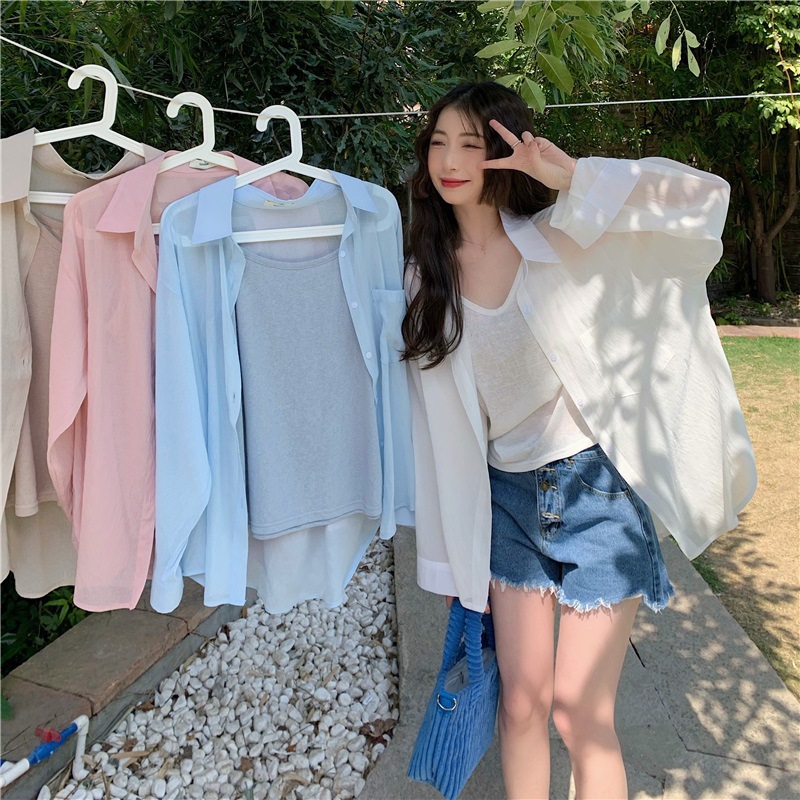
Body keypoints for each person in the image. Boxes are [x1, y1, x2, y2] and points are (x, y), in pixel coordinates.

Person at [401, 81, 756, 800]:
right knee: (521, 704)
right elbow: (434, 429)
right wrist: (451, 550)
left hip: (598, 495)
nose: (451, 160)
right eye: (438, 143)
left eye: (471, 143)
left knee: (579, 712)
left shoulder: (559, 236)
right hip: (505, 503)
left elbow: (700, 202)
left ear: (506, 150)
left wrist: (571, 177)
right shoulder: (424, 276)